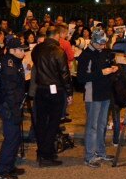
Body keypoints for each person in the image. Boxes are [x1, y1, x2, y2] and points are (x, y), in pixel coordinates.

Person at [31, 26, 73, 167]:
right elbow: (64, 74)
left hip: (40, 89)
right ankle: (46, 153)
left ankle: (42, 151)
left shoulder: (37, 49)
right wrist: (69, 92)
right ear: (56, 36)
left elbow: (36, 65)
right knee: (53, 122)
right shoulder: (58, 51)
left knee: (41, 122)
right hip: (55, 90)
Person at [77, 28, 118, 168]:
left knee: (102, 125)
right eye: (100, 44)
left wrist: (113, 68)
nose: (103, 46)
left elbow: (108, 66)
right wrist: (102, 72)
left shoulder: (104, 52)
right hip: (93, 94)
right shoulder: (85, 55)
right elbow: (81, 77)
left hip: (105, 93)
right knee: (92, 126)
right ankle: (89, 156)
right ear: (93, 42)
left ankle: (100, 152)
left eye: (104, 43)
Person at [0, 37, 28, 179]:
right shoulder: (9, 65)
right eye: (21, 50)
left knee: (15, 138)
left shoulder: (14, 62)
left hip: (13, 104)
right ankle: (2, 172)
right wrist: (15, 110)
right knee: (11, 139)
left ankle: (9, 167)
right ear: (12, 50)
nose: (23, 52)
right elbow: (10, 91)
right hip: (9, 106)